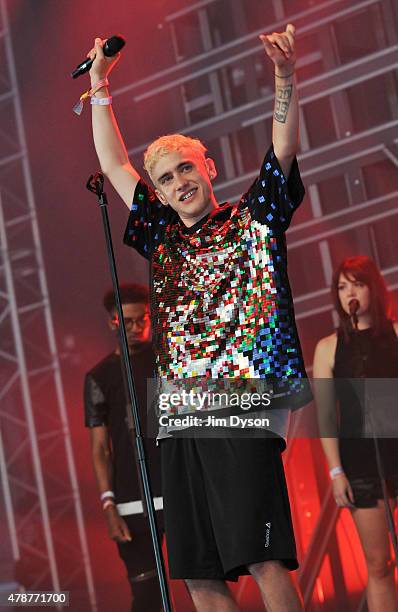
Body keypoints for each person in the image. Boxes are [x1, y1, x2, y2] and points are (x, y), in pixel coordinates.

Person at [85, 23, 310, 611]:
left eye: (186, 168)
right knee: (197, 572)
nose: (177, 182)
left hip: (244, 404)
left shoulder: (254, 219)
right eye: (165, 178)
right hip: (181, 412)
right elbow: (114, 166)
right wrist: (101, 90)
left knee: (260, 556)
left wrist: (285, 77)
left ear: (207, 167)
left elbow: (282, 149)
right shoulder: (160, 236)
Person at [313, 255, 398, 612]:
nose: (349, 292)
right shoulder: (328, 347)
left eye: (357, 284)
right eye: (342, 286)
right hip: (361, 463)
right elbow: (326, 416)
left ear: (372, 289)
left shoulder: (395, 332)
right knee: (379, 564)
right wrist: (336, 472)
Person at [84, 283, 163, 611]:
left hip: (178, 490)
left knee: (202, 580)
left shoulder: (165, 359)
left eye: (140, 320)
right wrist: (108, 505)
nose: (134, 328)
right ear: (112, 322)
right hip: (131, 501)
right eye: (125, 321)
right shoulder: (99, 377)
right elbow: (100, 448)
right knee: (147, 596)